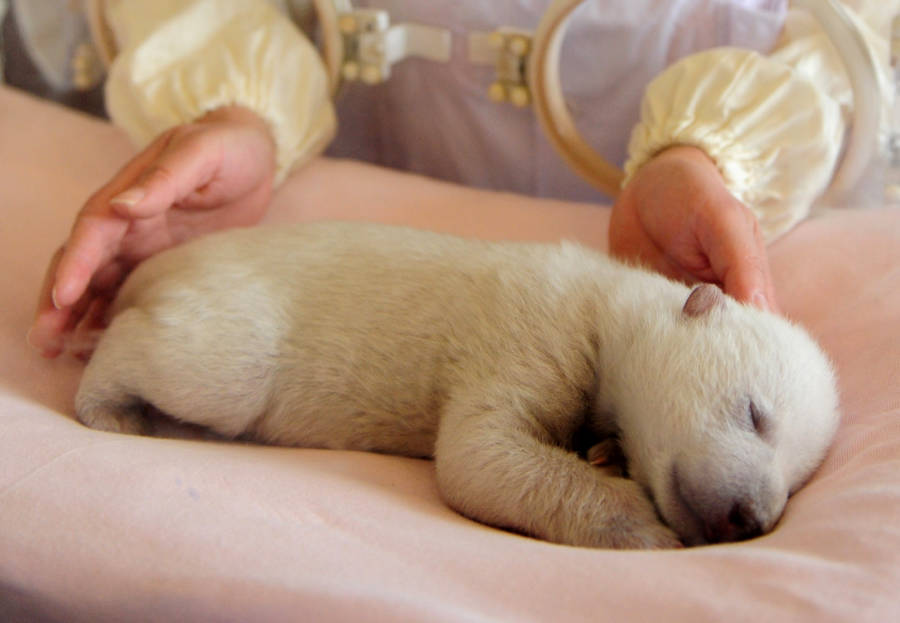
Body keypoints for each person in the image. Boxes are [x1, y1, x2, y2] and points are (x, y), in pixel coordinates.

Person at [23, 0, 896, 358]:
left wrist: (712, 157)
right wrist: (238, 111)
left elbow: (856, 41)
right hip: (342, 255)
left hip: (677, 262)